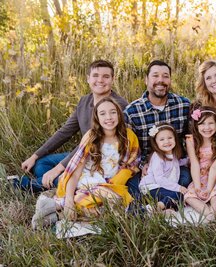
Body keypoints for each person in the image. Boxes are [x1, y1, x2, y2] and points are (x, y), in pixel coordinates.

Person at [18, 60, 128, 193]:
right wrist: (34, 156)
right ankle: (54, 182)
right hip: (81, 155)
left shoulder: (118, 106)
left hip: (99, 159)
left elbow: (92, 141)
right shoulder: (84, 101)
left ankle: (24, 184)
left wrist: (58, 168)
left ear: (112, 79)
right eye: (95, 75)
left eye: (106, 76)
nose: (100, 80)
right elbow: (65, 132)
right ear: (88, 79)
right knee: (41, 163)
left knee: (59, 174)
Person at [31, 97, 140, 229]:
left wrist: (117, 181)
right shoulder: (92, 137)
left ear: (119, 114)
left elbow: (132, 164)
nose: (109, 117)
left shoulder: (128, 136)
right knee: (110, 203)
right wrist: (70, 199)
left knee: (116, 205)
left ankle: (56, 211)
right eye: (103, 113)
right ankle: (65, 205)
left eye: (113, 112)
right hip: (88, 180)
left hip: (110, 182)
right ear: (97, 118)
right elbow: (75, 171)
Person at [123, 60, 191, 199]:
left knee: (185, 179)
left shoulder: (183, 105)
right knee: (134, 186)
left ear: (170, 80)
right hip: (148, 167)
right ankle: (161, 201)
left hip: (174, 164)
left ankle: (165, 200)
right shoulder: (132, 111)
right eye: (155, 75)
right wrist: (143, 165)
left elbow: (191, 137)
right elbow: (129, 149)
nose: (160, 80)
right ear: (146, 79)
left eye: (165, 76)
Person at [185, 106, 216, 221]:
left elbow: (215, 166)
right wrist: (198, 186)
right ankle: (209, 215)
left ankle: (215, 213)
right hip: (199, 175)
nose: (207, 127)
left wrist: (209, 189)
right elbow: (194, 164)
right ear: (196, 125)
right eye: (202, 124)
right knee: (189, 197)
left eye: (211, 123)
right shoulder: (191, 140)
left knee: (215, 195)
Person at [139, 123, 188, 213]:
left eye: (170, 138)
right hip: (151, 187)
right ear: (156, 143)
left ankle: (163, 208)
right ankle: (152, 209)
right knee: (177, 195)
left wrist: (189, 160)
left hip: (162, 187)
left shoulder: (172, 153)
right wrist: (178, 187)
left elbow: (176, 163)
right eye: (162, 139)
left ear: (175, 139)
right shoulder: (157, 157)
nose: (167, 142)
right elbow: (159, 179)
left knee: (180, 198)